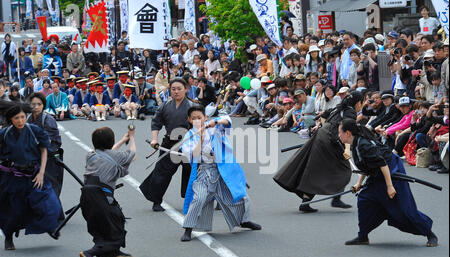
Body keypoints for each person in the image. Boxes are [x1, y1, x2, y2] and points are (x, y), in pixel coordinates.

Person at [338, 118, 438, 247]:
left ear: (347, 133)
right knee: (365, 199)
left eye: (339, 132)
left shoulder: (363, 145)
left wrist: (390, 187)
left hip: (391, 171)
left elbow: (382, 163)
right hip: (378, 173)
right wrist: (359, 183)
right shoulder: (356, 143)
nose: (338, 135)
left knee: (403, 208)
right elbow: (367, 166)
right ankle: (362, 236)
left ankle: (429, 233)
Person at [180, 105, 261, 241]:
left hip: (224, 169)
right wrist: (200, 139)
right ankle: (188, 229)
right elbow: (193, 156)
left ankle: (243, 220)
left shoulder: (215, 128)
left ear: (205, 117)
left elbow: (227, 120)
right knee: (199, 198)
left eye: (200, 117)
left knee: (240, 196)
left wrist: (215, 122)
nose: (197, 121)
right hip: (205, 171)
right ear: (189, 120)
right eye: (193, 119)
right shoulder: (189, 136)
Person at [273, 91, 364, 212]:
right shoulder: (350, 112)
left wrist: (324, 127)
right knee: (344, 169)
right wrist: (347, 149)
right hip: (332, 140)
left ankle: (307, 201)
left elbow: (323, 115)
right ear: (358, 102)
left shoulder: (340, 107)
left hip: (321, 136)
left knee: (315, 169)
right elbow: (346, 131)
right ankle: (336, 198)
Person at [0, 101, 61, 250]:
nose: (20, 121)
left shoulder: (34, 130)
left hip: (34, 174)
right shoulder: (5, 133)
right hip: (13, 177)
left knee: (50, 203)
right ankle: (8, 237)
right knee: (13, 210)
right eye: (16, 118)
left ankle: (49, 226)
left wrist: (41, 173)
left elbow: (44, 150)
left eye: (22, 117)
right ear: (11, 120)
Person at [79, 126, 136, 257]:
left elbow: (109, 154)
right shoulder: (115, 156)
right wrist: (132, 137)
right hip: (102, 197)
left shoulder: (91, 155)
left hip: (86, 196)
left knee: (103, 224)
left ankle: (113, 254)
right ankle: (90, 253)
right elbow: (133, 155)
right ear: (111, 141)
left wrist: (124, 140)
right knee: (115, 228)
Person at [139, 78, 192, 212]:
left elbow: (200, 126)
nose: (176, 92)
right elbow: (156, 122)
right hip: (169, 143)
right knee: (162, 172)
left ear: (186, 89)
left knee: (192, 172)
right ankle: (156, 201)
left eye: (179, 89)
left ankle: (193, 199)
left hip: (189, 145)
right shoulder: (165, 105)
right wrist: (154, 139)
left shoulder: (192, 106)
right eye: (173, 89)